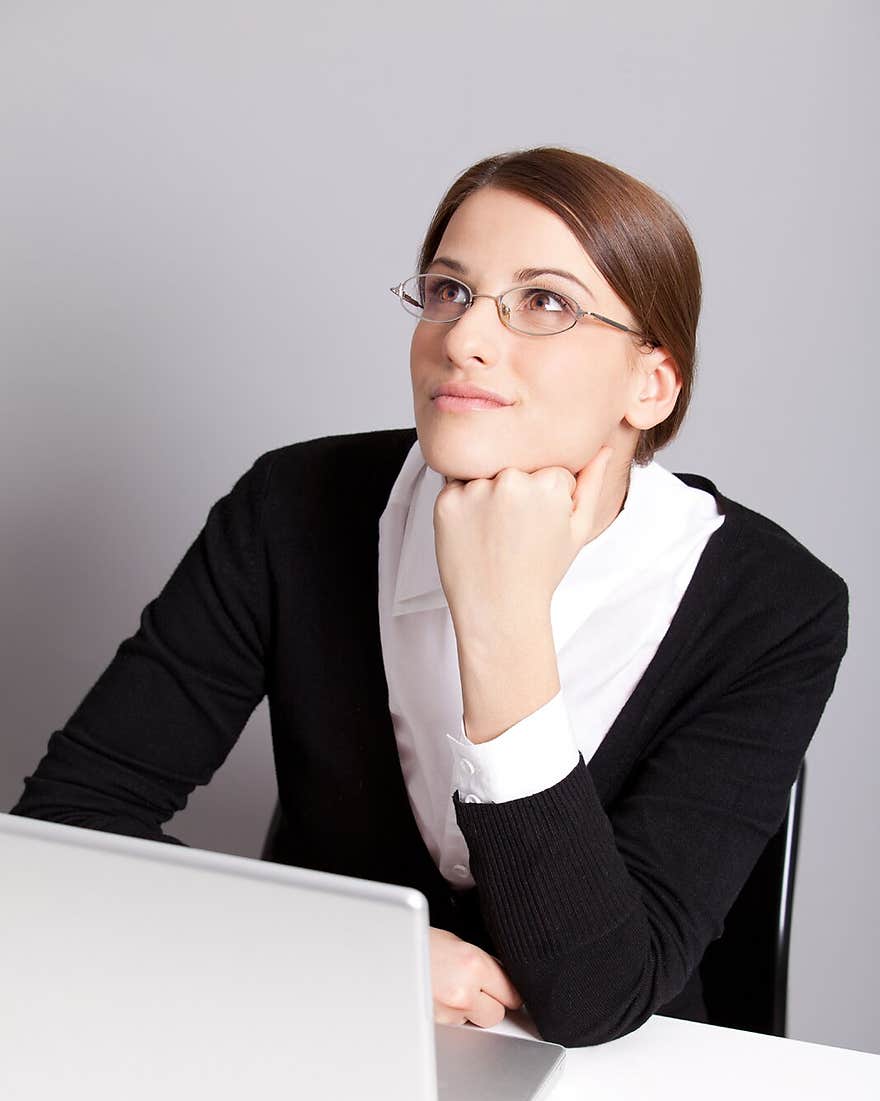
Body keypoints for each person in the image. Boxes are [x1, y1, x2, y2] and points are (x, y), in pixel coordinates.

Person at [9, 146, 849, 1046]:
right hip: (323, 1037)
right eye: (449, 290)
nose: (463, 339)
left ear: (651, 384)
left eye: (546, 303)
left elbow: (597, 1000)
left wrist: (503, 620)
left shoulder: (775, 605)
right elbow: (63, 829)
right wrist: (364, 956)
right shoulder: (293, 506)